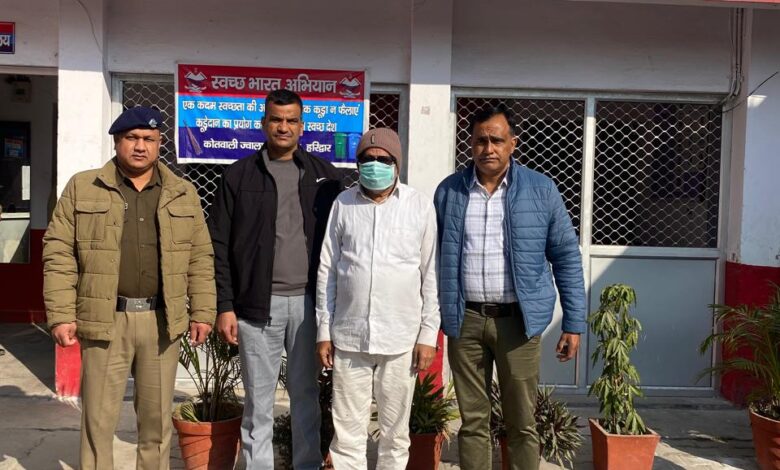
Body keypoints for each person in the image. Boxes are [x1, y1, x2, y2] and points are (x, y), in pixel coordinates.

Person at [42, 106, 216, 470]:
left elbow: (199, 256)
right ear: (117, 141)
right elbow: (59, 253)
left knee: (156, 423)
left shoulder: (181, 192)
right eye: (132, 138)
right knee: (97, 421)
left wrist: (202, 311)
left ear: (160, 143)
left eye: (149, 139)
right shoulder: (83, 187)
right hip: (104, 319)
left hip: (161, 321)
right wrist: (60, 314)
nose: (140, 146)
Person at [433, 104, 586, 470]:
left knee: (521, 422)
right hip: (465, 321)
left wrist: (574, 322)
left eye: (497, 140)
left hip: (519, 323)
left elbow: (566, 256)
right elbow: (429, 257)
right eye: (480, 140)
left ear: (513, 143)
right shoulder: (449, 191)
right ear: (470, 144)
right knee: (473, 421)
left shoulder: (541, 190)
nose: (488, 148)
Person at [208, 89, 342, 470]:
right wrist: (225, 305)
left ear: (302, 126)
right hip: (255, 306)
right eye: (276, 119)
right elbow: (219, 244)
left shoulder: (325, 176)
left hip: (308, 305)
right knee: (258, 402)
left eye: (291, 120)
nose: (283, 127)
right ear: (263, 123)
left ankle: (307, 464)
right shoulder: (238, 175)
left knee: (306, 398)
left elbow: (341, 243)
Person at [316, 128, 441, 470]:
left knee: (395, 434)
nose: (374, 165)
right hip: (349, 336)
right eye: (367, 159)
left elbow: (430, 274)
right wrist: (324, 330)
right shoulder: (343, 204)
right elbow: (328, 269)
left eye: (383, 160)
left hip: (401, 339)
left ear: (396, 163)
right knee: (347, 434)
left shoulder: (418, 205)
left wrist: (428, 334)